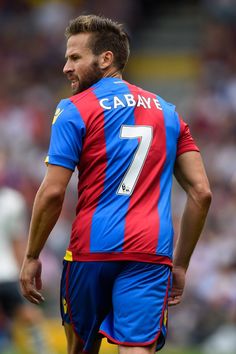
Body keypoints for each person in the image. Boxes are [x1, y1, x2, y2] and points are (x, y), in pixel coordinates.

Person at [20, 14, 212, 354]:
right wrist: (180, 265)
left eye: (75, 57)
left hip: (90, 250)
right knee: (137, 349)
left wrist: (32, 254)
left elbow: (52, 192)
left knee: (81, 347)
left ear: (106, 59)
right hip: (150, 254)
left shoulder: (74, 110)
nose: (66, 67)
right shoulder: (168, 112)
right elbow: (201, 192)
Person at [0, 184, 55, 354]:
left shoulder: (12, 201)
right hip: (6, 273)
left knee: (25, 315)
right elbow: (18, 243)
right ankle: (42, 350)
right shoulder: (12, 201)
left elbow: (17, 243)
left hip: (6, 273)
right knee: (29, 316)